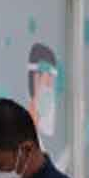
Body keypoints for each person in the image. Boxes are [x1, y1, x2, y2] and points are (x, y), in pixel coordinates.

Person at [25, 43, 68, 171]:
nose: (52, 94)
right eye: (48, 82)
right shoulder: (21, 137)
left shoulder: (36, 137)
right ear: (35, 78)